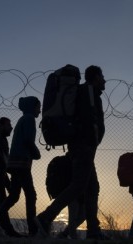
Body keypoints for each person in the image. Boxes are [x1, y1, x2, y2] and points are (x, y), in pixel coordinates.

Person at [35, 65, 107, 240]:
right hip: (84, 146)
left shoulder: (87, 91)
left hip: (83, 146)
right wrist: (93, 140)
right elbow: (90, 119)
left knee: (92, 187)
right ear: (96, 77)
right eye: (102, 76)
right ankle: (45, 218)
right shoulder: (89, 90)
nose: (104, 80)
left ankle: (93, 231)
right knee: (79, 185)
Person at [0, 96, 41, 237]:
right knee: (31, 195)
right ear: (31, 107)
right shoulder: (29, 119)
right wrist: (36, 153)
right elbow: (28, 140)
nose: (39, 111)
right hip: (21, 164)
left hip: (15, 163)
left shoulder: (22, 119)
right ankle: (33, 230)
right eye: (38, 107)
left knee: (14, 196)